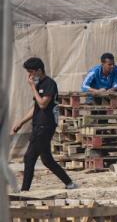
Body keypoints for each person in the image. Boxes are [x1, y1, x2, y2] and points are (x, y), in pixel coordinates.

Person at [11, 57, 76, 191]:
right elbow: (36, 107)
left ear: (39, 70)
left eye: (31, 72)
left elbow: (43, 103)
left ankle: (25, 190)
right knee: (42, 159)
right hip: (38, 125)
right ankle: (69, 183)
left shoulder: (49, 84)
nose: (30, 75)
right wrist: (21, 122)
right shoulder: (39, 84)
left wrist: (32, 87)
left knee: (31, 158)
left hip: (45, 126)